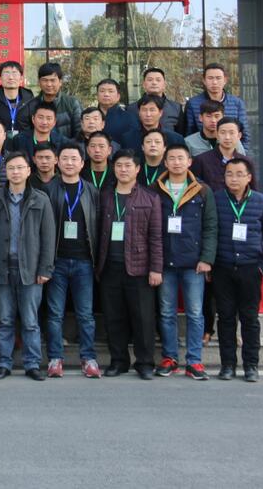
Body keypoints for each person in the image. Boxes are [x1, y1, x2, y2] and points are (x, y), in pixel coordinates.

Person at [96, 149, 163, 380]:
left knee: (143, 318)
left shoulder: (150, 198)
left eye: (128, 166)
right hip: (109, 266)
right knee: (114, 317)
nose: (123, 170)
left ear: (137, 169)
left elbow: (156, 237)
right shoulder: (105, 196)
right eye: (119, 166)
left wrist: (156, 268)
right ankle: (118, 361)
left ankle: (145, 363)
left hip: (139, 267)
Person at [0, 152, 54, 381]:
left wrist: (45, 269)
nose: (15, 172)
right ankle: (3, 363)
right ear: (5, 172)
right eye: (11, 168)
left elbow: (48, 237)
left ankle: (32, 364)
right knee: (5, 319)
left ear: (28, 171)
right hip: (2, 268)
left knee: (30, 320)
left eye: (19, 168)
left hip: (31, 269)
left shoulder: (40, 199)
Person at [213, 158, 263, 382]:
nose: (234, 178)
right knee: (226, 318)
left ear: (249, 177)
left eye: (239, 174)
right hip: (223, 267)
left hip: (251, 269)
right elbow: (209, 231)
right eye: (229, 174)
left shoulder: (262, 202)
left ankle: (251, 365)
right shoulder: (216, 199)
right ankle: (227, 365)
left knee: (250, 319)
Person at [155, 143, 217, 380]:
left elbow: (210, 226)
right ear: (165, 162)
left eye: (181, 158)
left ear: (189, 162)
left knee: (195, 312)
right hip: (165, 262)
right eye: (172, 158)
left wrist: (207, 258)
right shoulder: (156, 189)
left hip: (194, 263)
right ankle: (169, 358)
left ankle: (194, 360)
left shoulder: (202, 190)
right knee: (166, 312)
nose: (176, 162)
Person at [43, 143, 101, 379]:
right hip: (56, 261)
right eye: (65, 158)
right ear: (57, 162)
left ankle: (88, 358)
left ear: (82, 163)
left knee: (85, 314)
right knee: (54, 314)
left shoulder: (91, 191)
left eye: (74, 159)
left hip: (84, 261)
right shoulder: (49, 189)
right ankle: (55, 358)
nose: (69, 163)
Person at [184, 62, 250, 151]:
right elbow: (189, 131)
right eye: (210, 78)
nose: (214, 82)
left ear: (225, 80)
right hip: (201, 152)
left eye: (218, 78)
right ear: (204, 80)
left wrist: (241, 155)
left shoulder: (237, 103)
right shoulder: (193, 103)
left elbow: (244, 134)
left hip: (230, 153)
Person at [192, 117, 254, 190]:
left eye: (231, 133)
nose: (227, 137)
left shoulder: (246, 162)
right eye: (223, 132)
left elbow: (253, 191)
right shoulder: (201, 160)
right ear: (217, 135)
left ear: (239, 136)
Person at [26, 62, 82, 139]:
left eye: (52, 80)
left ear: (60, 82)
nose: (49, 84)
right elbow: (25, 137)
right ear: (39, 82)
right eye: (45, 80)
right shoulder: (30, 106)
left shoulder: (72, 103)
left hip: (67, 146)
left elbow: (79, 133)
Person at [0, 60, 34, 137]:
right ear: (0, 79)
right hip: (0, 143)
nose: (10, 77)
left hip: (25, 143)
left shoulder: (30, 101)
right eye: (6, 73)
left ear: (21, 79)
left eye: (14, 73)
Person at [128, 68, 183, 135]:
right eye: (150, 80)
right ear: (144, 84)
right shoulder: (131, 109)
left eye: (158, 80)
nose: (154, 83)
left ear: (164, 85)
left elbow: (182, 134)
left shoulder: (176, 108)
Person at [95, 78, 135, 146]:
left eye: (110, 91)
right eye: (102, 91)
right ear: (97, 95)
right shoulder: (90, 117)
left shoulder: (129, 118)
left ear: (118, 96)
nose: (106, 94)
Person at [82, 131, 115, 196]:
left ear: (109, 150)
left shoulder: (116, 171)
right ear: (87, 150)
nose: (97, 150)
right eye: (93, 146)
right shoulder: (80, 170)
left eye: (101, 146)